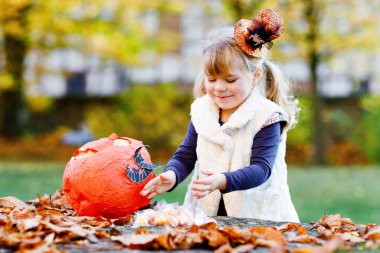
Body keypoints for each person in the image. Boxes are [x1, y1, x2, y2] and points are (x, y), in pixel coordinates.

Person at [141, 9, 300, 222]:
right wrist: (171, 176)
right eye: (212, 79)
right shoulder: (202, 110)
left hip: (258, 216)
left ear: (255, 76)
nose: (219, 88)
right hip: (207, 215)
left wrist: (221, 180)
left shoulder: (267, 115)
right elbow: (186, 155)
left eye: (230, 80)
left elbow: (261, 169)